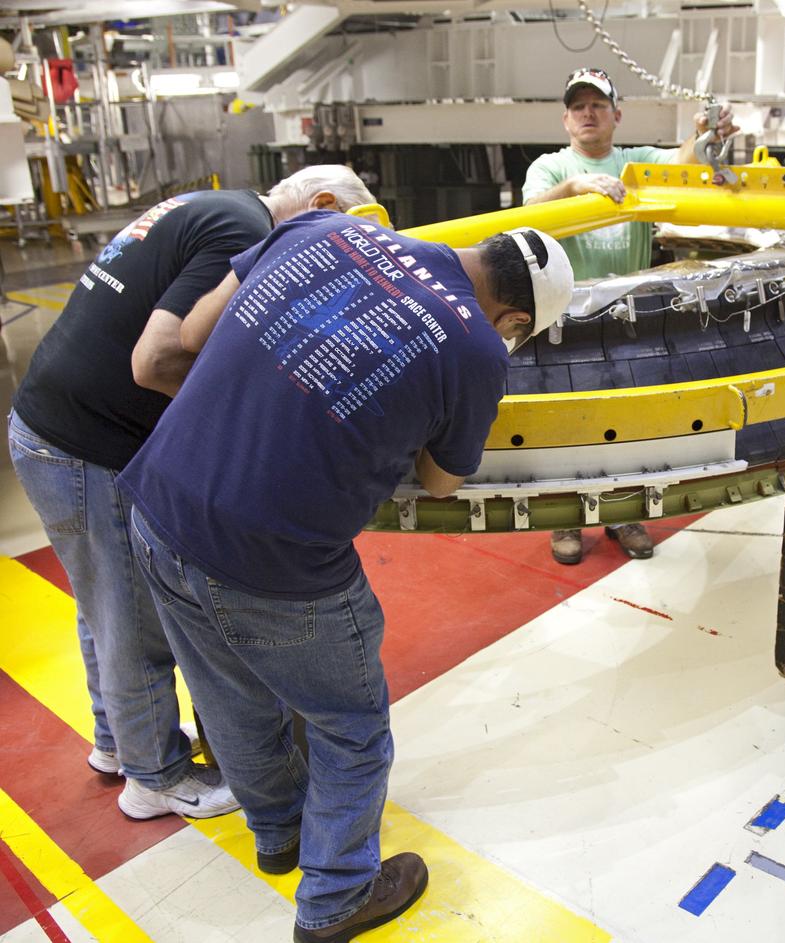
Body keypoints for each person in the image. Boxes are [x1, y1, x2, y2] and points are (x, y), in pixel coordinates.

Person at [118, 211, 572, 942]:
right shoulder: (477, 343)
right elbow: (444, 478)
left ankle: (281, 834)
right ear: (515, 317)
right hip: (276, 556)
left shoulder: (321, 228)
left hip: (158, 503)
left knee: (229, 694)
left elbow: (195, 336)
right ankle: (335, 899)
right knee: (352, 724)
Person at [6, 165, 374, 819]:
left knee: (103, 603)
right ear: (318, 205)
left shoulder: (217, 204)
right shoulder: (246, 227)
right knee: (136, 616)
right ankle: (156, 776)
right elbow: (158, 358)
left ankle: (118, 741)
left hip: (51, 424)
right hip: (86, 441)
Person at [523, 66, 738, 566]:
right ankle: (565, 520)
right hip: (565, 323)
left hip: (627, 320)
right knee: (566, 426)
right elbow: (531, 211)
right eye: (579, 106)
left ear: (617, 116)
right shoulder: (551, 168)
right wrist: (575, 186)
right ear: (566, 119)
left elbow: (685, 162)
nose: (588, 114)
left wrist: (705, 133)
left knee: (628, 423)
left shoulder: (635, 161)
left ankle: (624, 513)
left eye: (597, 105)